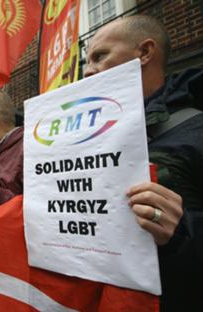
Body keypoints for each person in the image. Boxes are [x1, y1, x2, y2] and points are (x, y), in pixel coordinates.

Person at [84, 15, 203, 311]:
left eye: (100, 56)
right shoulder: (89, 138)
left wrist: (181, 231)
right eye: (87, 61)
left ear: (145, 53)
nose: (87, 72)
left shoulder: (195, 128)